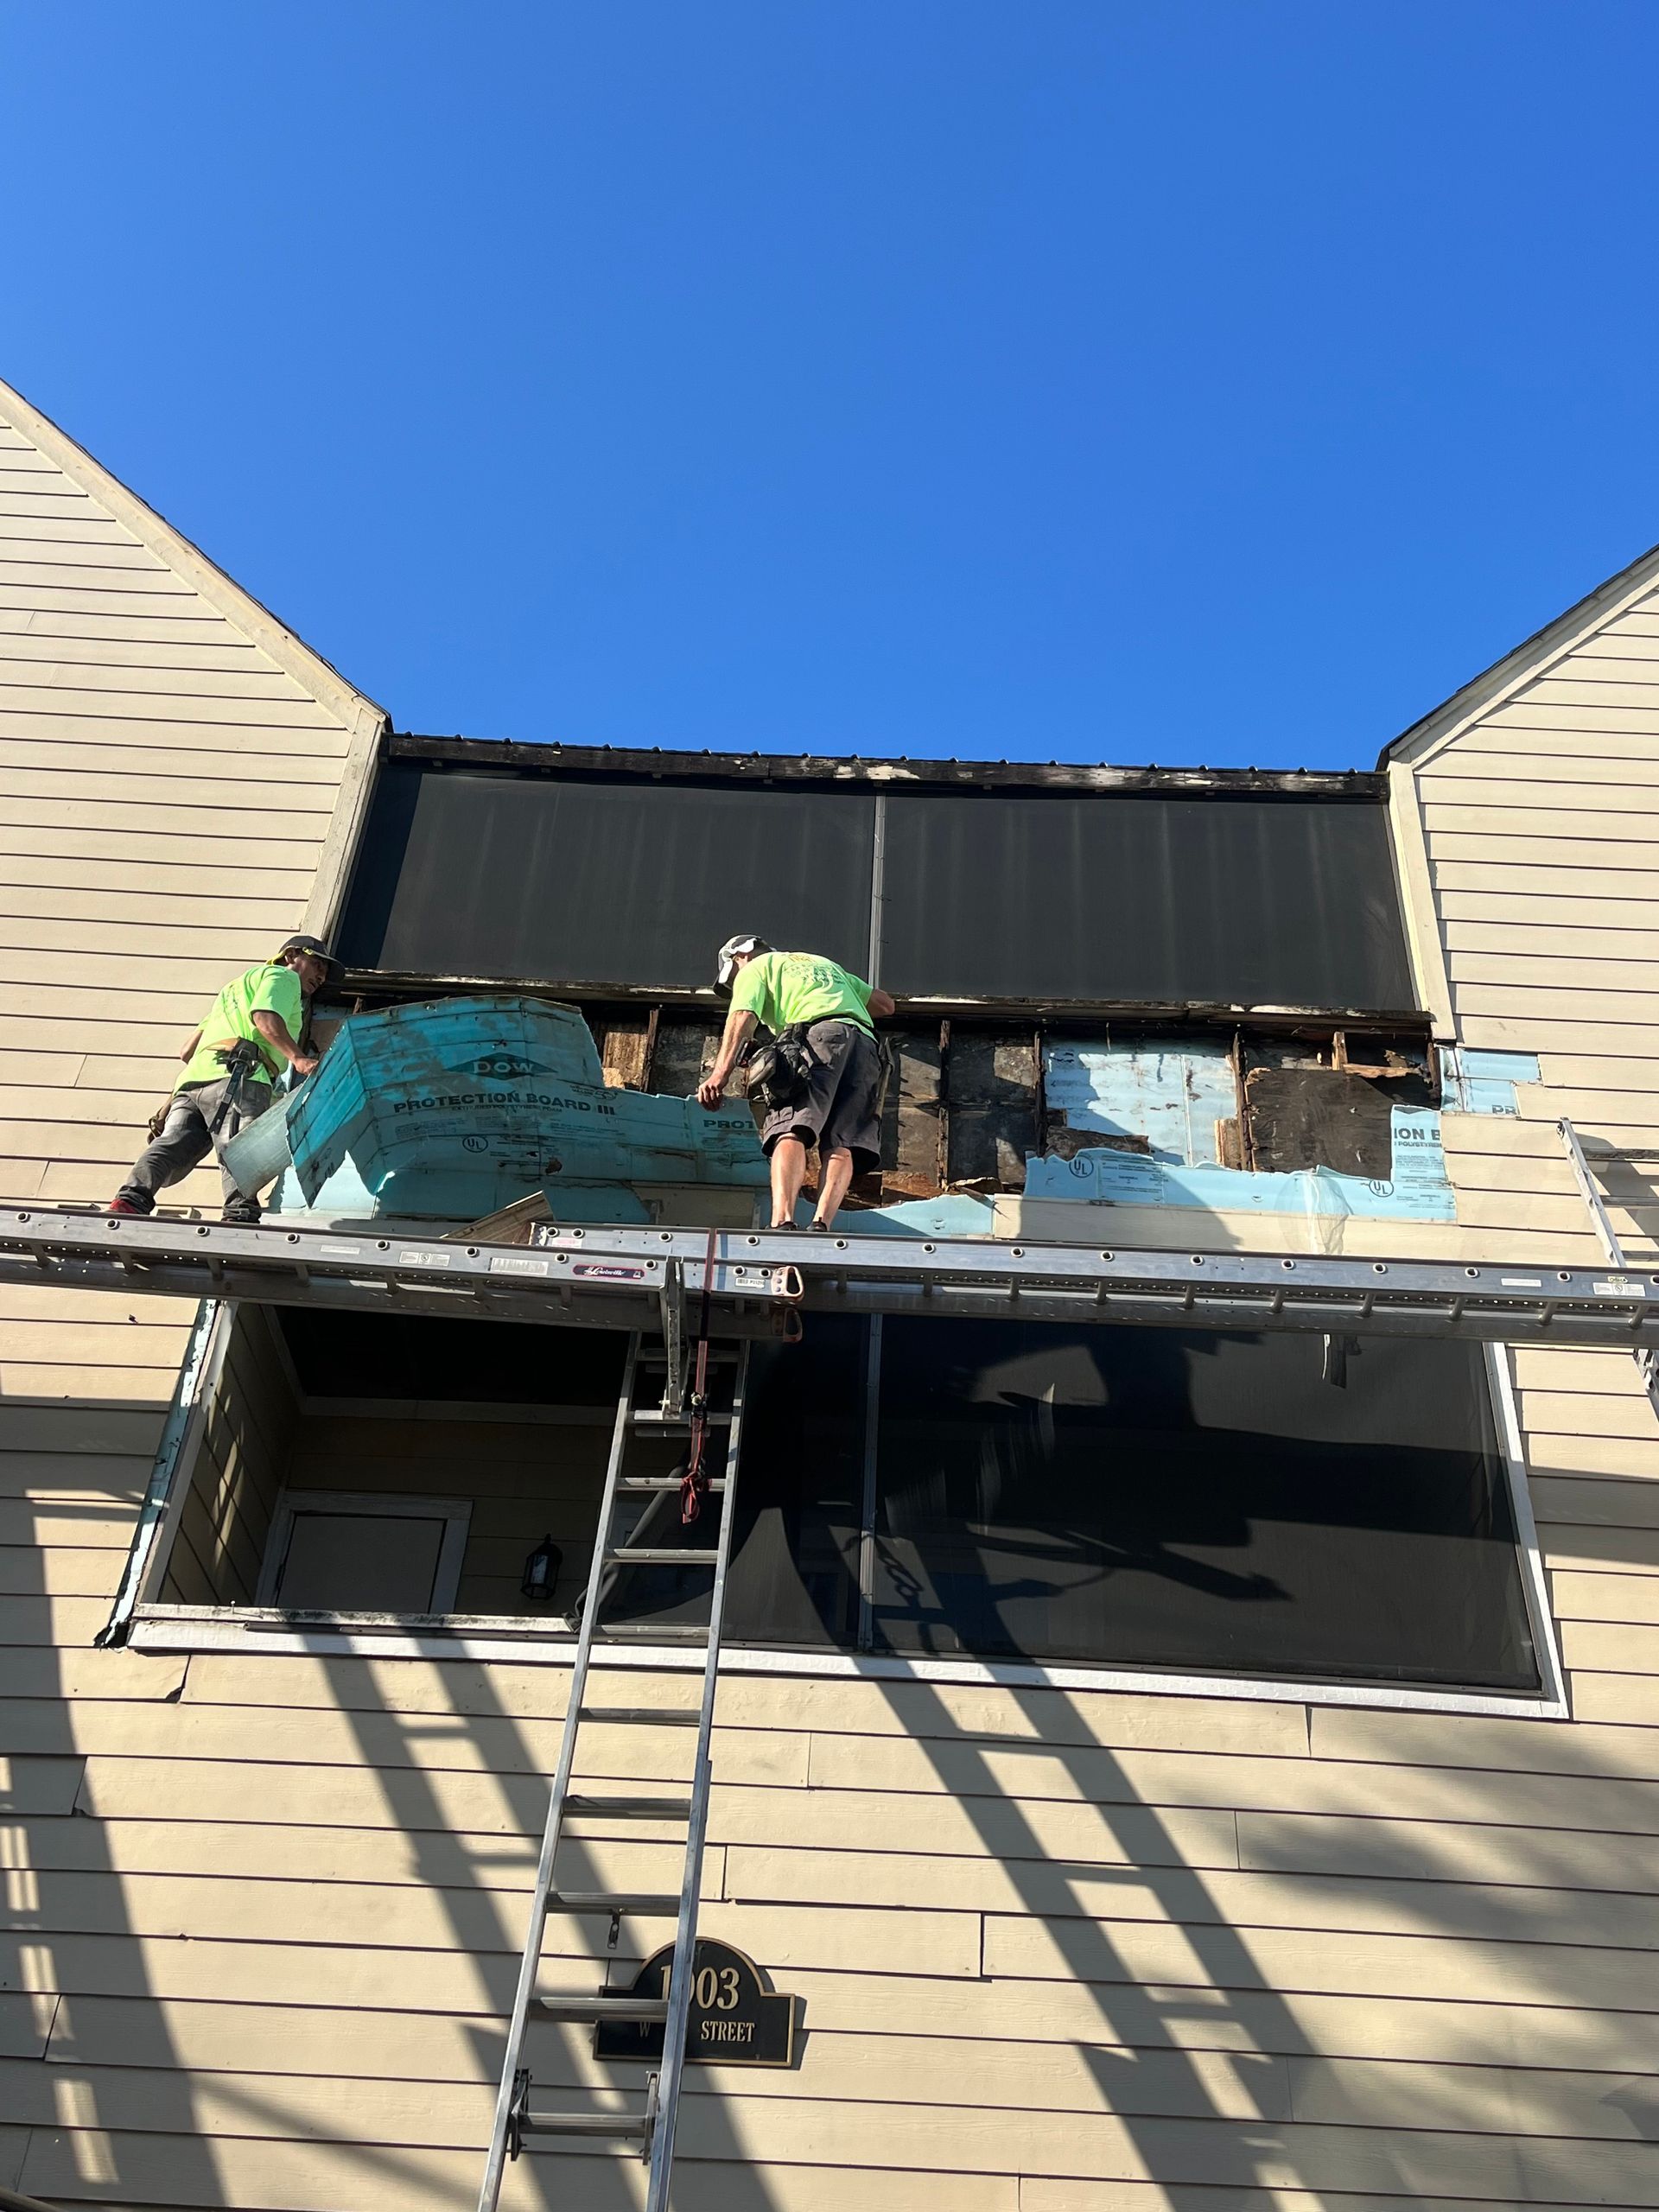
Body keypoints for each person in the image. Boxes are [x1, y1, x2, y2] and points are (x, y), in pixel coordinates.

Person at [108, 935, 343, 1226]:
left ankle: (130, 1200)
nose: (320, 976)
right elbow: (265, 1017)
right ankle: (239, 1218)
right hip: (240, 1076)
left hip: (195, 1081)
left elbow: (187, 1051)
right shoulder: (283, 977)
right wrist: (298, 1058)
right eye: (317, 964)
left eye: (324, 972)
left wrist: (166, 1107)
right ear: (291, 956)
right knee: (241, 1149)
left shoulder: (232, 990)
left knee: (173, 1145)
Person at [699, 935, 895, 1231]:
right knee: (843, 1142)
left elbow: (743, 1016)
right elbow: (885, 1004)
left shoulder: (754, 968)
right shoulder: (826, 965)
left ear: (740, 956)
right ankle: (821, 1225)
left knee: (791, 1129)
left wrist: (719, 1074)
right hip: (866, 1047)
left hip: (817, 1038)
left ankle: (783, 1221)